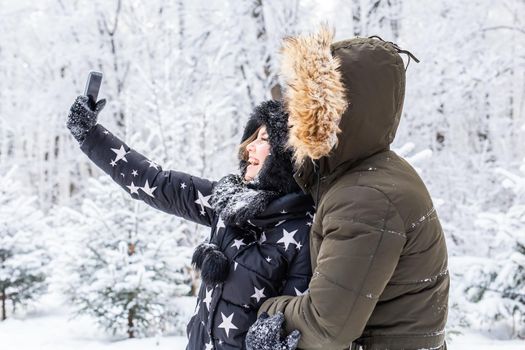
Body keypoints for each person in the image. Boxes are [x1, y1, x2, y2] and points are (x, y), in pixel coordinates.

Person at [246, 27, 449, 350]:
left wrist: (266, 309)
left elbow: (326, 325)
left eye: (305, 104)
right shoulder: (366, 174)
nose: (292, 117)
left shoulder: (365, 196)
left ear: (336, 111)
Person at [66, 96, 314, 349]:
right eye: (252, 138)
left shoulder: (302, 230)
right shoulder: (228, 202)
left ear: (288, 154)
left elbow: (300, 323)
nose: (249, 147)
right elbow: (157, 182)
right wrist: (91, 135)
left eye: (264, 139)